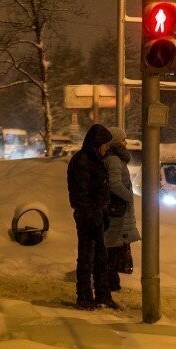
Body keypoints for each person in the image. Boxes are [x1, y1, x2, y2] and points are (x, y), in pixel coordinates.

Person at [66, 124, 118, 310]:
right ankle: (84, 297)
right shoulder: (83, 161)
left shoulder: (95, 160)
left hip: (96, 214)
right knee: (87, 258)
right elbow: (81, 192)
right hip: (88, 216)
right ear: (97, 144)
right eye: (105, 144)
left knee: (100, 258)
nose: (107, 147)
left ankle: (103, 296)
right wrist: (91, 213)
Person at [103, 127, 141, 292]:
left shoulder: (116, 159)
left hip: (120, 212)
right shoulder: (114, 160)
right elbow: (115, 184)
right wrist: (129, 196)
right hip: (118, 212)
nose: (125, 143)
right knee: (114, 248)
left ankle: (113, 281)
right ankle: (111, 282)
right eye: (122, 140)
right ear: (116, 142)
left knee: (116, 247)